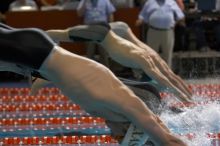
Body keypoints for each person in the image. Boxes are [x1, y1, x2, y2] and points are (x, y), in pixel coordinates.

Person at [0, 23, 187, 146]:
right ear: (130, 126)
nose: (113, 137)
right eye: (121, 137)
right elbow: (167, 140)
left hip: (34, 60)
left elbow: (157, 124)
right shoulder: (126, 103)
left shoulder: (111, 109)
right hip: (36, 52)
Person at [46, 22, 192, 102]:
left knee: (61, 32)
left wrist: (186, 96)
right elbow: (163, 79)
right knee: (60, 34)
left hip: (105, 29)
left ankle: (43, 35)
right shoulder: (146, 58)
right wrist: (184, 98)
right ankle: (37, 35)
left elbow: (168, 77)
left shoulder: (147, 54)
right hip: (101, 34)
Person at [136, 0, 185, 67]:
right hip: (153, 31)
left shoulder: (171, 2)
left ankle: (166, 76)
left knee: (167, 55)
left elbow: (180, 16)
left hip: (168, 32)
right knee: (151, 55)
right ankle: (151, 75)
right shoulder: (150, 2)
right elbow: (142, 15)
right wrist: (140, 20)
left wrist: (175, 23)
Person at [76, 0, 116, 67]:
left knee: (104, 53)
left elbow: (110, 14)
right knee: (89, 53)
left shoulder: (105, 1)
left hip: (102, 29)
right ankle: (90, 73)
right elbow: (79, 14)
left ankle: (105, 73)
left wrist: (110, 28)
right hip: (89, 29)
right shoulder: (84, 1)